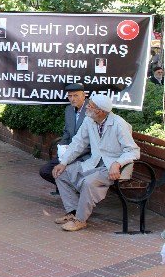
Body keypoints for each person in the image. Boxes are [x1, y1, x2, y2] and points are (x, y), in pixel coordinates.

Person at [52, 94, 140, 231]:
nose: (87, 106)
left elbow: (133, 151)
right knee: (61, 174)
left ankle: (80, 220)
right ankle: (73, 212)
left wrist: (117, 163)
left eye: (90, 105)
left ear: (100, 111)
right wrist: (63, 162)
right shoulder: (89, 120)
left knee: (89, 182)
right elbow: (77, 143)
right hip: (94, 163)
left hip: (114, 168)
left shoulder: (118, 123)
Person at [39, 83, 90, 188]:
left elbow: (93, 141)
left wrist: (71, 154)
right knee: (45, 171)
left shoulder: (91, 109)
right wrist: (61, 148)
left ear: (84, 95)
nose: (72, 99)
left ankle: (73, 190)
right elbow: (67, 132)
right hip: (68, 154)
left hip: (85, 155)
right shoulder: (69, 110)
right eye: (70, 96)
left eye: (76, 95)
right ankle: (68, 189)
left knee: (67, 171)